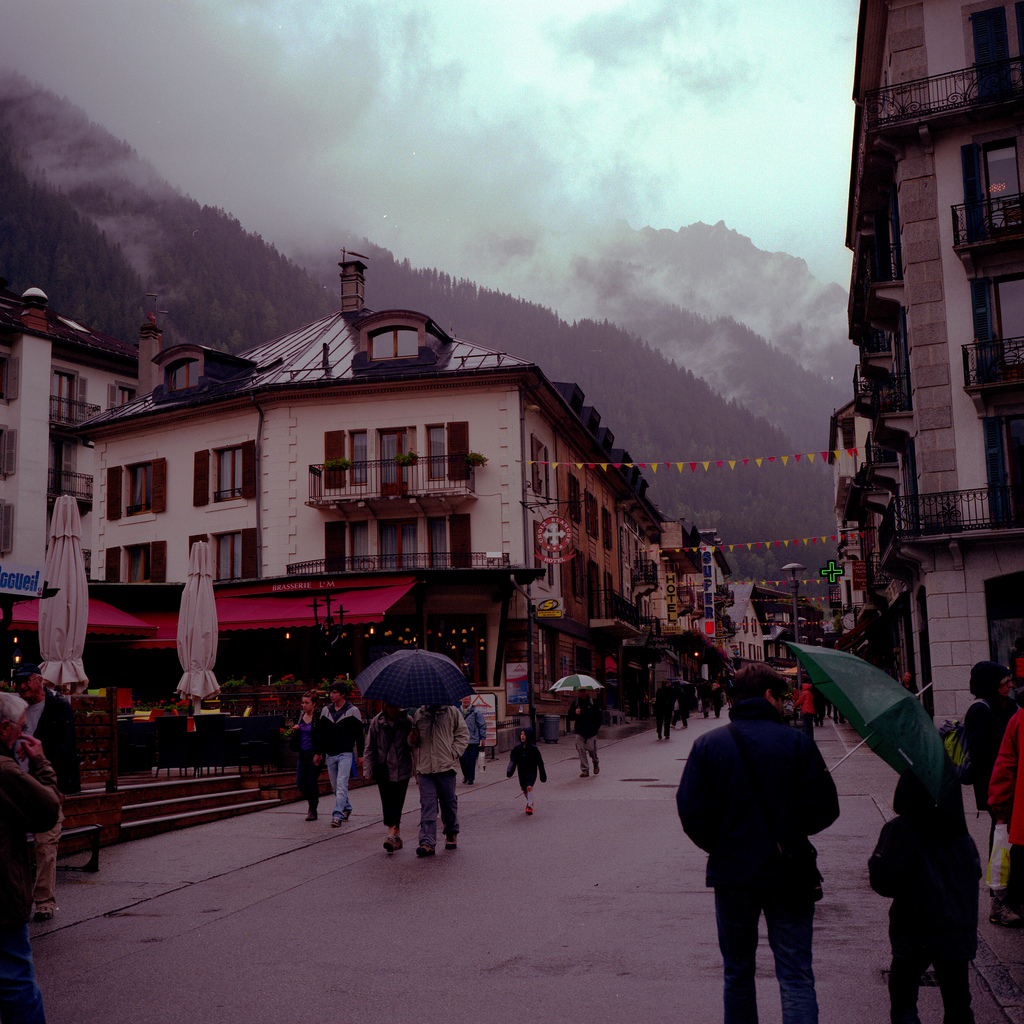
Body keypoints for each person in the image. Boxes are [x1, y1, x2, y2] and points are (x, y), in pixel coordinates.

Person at [676, 663, 840, 1024]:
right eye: (783, 697)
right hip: (789, 873)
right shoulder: (797, 743)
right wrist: (790, 830)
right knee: (796, 975)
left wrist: (722, 845)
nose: (786, 704)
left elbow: (691, 812)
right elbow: (826, 809)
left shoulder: (708, 745)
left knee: (737, 974)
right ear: (768, 696)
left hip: (733, 874)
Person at [869, 772, 979, 1024]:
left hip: (914, 928)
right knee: (958, 1002)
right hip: (957, 929)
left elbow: (883, 881)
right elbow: (975, 873)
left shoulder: (899, 830)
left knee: (903, 997)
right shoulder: (958, 829)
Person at [0, 691, 62, 1024]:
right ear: (4, 728)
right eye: (21, 728)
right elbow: (48, 809)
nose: (25, 735)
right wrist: (40, 762)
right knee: (15, 980)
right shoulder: (6, 771)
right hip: (4, 895)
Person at [14, 663, 79, 923]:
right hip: (17, 782)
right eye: (17, 683)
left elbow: (66, 749)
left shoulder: (58, 706)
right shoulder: (15, 708)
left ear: (38, 680)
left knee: (46, 843)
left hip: (45, 783)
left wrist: (61, 787)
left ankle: (44, 901)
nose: (20, 688)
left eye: (24, 682)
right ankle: (18, 899)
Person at [961, 661, 1016, 924]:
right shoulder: (980, 710)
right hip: (996, 787)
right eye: (1006, 681)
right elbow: (981, 755)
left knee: (1012, 840)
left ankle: (1012, 895)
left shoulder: (1009, 706)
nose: (1010, 685)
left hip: (1014, 783)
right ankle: (999, 901)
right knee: (1001, 839)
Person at [408, 702, 469, 857]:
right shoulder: (419, 714)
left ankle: (451, 832)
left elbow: (463, 735)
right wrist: (412, 739)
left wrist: (452, 753)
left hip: (446, 767)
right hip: (425, 768)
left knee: (448, 802)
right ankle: (427, 842)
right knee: (427, 804)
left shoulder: (452, 712)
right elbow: (413, 742)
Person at [364, 701, 414, 853]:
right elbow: (370, 746)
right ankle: (395, 835)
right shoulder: (376, 722)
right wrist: (368, 769)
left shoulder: (407, 721)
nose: (393, 710)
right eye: (390, 706)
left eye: (395, 706)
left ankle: (391, 835)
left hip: (402, 768)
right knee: (387, 802)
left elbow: (413, 746)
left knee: (398, 802)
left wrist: (413, 739)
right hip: (383, 768)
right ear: (384, 707)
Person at [314, 680, 364, 827]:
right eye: (331, 692)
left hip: (345, 753)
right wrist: (318, 752)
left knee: (342, 784)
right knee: (335, 786)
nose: (331, 695)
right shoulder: (326, 711)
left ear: (343, 694)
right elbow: (320, 734)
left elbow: (359, 735)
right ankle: (346, 807)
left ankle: (337, 815)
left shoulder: (353, 711)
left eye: (335, 692)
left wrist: (360, 754)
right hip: (330, 754)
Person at [290, 691, 322, 821]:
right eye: (302, 703)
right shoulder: (300, 716)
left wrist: (318, 753)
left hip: (314, 754)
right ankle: (312, 801)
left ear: (314, 704)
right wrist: (295, 730)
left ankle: (312, 809)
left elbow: (320, 737)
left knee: (310, 781)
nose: (304, 705)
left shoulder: (318, 718)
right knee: (300, 783)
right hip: (302, 754)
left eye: (307, 703)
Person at [506, 726, 547, 814]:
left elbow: (540, 762)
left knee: (529, 786)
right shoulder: (517, 748)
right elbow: (512, 759)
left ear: (529, 735)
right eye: (521, 734)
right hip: (521, 771)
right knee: (524, 789)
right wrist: (510, 770)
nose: (522, 736)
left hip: (531, 770)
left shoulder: (533, 748)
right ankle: (530, 800)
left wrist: (542, 774)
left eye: (524, 734)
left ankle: (529, 805)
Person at [567, 690, 602, 777]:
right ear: (578, 693)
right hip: (580, 731)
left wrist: (595, 728)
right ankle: (585, 770)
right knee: (581, 749)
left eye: (584, 691)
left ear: (587, 692)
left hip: (591, 731)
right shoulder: (576, 703)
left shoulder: (593, 702)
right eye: (580, 692)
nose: (582, 693)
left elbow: (599, 716)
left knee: (591, 749)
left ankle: (595, 762)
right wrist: (575, 713)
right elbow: (570, 716)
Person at [459, 695, 487, 784]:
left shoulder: (476, 712)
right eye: (464, 699)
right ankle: (466, 775)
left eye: (467, 699)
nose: (465, 700)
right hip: (461, 740)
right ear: (461, 700)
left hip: (473, 739)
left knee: (471, 759)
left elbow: (482, 725)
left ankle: (470, 778)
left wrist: (483, 738)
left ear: (470, 700)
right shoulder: (457, 712)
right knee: (463, 758)